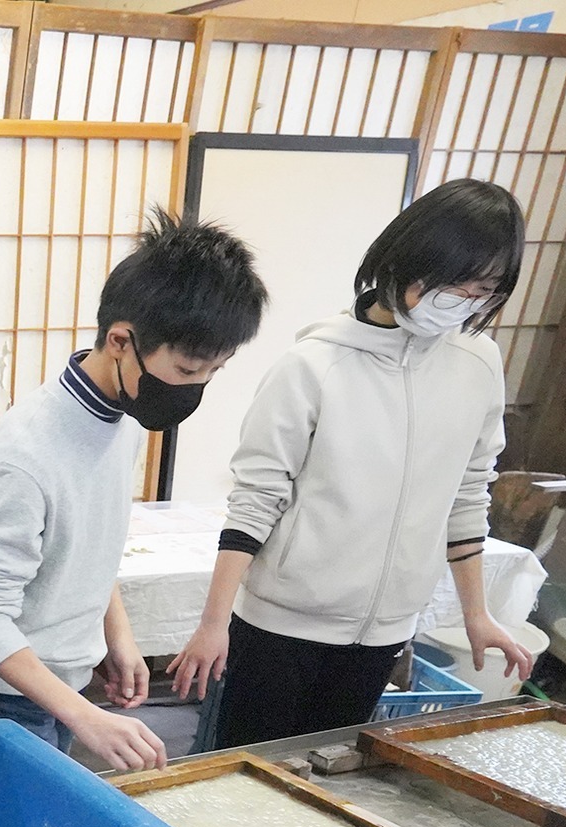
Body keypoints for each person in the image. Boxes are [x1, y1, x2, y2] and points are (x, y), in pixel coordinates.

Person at [169, 180, 535, 745]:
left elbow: (468, 494)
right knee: (247, 777)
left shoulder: (478, 364)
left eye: (483, 289)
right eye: (452, 282)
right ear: (405, 262)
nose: (465, 301)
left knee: (328, 779)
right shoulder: (313, 365)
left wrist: (477, 613)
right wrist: (213, 624)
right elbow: (255, 500)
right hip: (279, 626)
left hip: (383, 633)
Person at [0, 210, 267, 771]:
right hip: (3, 693)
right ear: (121, 340)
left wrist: (118, 638)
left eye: (214, 371)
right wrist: (82, 715)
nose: (197, 388)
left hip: (58, 685)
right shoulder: (24, 456)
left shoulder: (120, 419)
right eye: (188, 370)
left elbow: (87, 546)